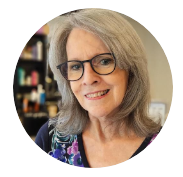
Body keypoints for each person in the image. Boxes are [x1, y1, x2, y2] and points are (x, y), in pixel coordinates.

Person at [35, 8, 161, 168]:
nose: (88, 79)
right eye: (75, 66)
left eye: (104, 61)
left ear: (131, 69)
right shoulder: (49, 139)